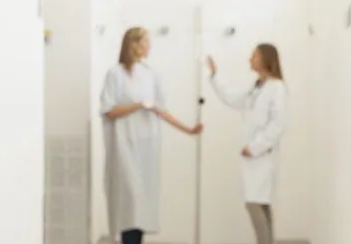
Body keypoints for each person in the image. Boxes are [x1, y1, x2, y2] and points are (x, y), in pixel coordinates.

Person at [100, 27, 203, 244]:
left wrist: (188, 129)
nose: (149, 46)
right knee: (131, 200)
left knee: (142, 206)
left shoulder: (151, 74)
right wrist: (137, 105)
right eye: (145, 41)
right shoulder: (115, 74)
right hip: (123, 146)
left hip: (147, 146)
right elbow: (109, 110)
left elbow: (160, 110)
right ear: (133, 44)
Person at [206, 43, 288, 244]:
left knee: (256, 203)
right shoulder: (257, 86)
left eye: (254, 56)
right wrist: (215, 77)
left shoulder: (276, 87)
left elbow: (278, 124)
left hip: (262, 154)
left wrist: (255, 146)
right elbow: (233, 99)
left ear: (265, 59)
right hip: (253, 155)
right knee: (259, 203)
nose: (249, 59)